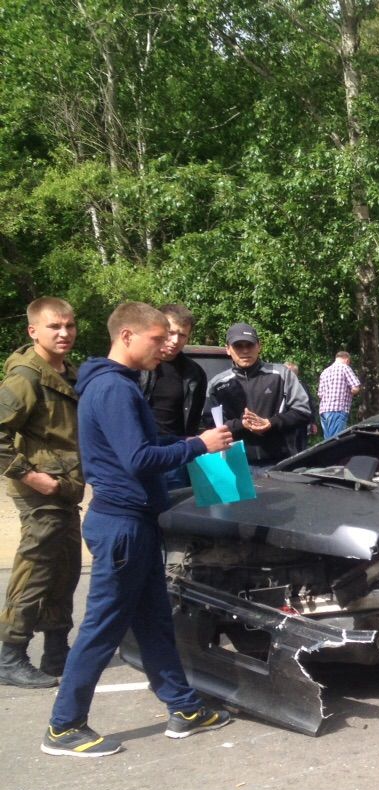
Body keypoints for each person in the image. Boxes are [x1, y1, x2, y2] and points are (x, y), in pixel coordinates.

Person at [42, 302, 235, 758]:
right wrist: (196, 445)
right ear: (127, 336)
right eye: (155, 338)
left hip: (136, 522)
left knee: (153, 621)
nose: (164, 346)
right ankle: (63, 725)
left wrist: (189, 441)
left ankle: (184, 708)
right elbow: (138, 460)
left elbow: (145, 445)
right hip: (121, 526)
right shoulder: (113, 388)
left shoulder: (119, 385)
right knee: (103, 627)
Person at [0, 296, 84, 686]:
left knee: (65, 569)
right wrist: (31, 477)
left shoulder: (68, 373)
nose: (64, 333)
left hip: (64, 487)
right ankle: (10, 654)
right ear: (33, 331)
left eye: (69, 325)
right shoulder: (26, 376)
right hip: (40, 489)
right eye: (55, 327)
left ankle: (56, 653)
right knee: (35, 571)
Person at [204, 323, 311, 468]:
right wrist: (241, 425)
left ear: (259, 346)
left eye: (249, 345)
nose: (245, 351)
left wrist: (271, 423)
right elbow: (211, 423)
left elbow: (303, 412)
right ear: (228, 349)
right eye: (238, 346)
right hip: (236, 463)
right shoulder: (216, 384)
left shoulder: (282, 374)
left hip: (281, 461)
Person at [139, 303, 208, 489]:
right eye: (171, 332)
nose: (176, 340)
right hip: (140, 451)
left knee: (172, 513)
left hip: (175, 456)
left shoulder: (194, 374)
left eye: (182, 335)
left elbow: (194, 421)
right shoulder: (137, 366)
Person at [317, 350, 362, 439]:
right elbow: (355, 388)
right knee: (336, 440)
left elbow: (320, 394)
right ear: (346, 359)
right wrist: (353, 392)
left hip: (324, 411)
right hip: (337, 409)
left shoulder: (324, 372)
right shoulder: (345, 368)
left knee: (327, 441)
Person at [284, 361, 320, 453]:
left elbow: (310, 404)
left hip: (301, 423)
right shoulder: (279, 386)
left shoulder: (302, 386)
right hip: (286, 423)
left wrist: (313, 422)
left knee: (302, 447)